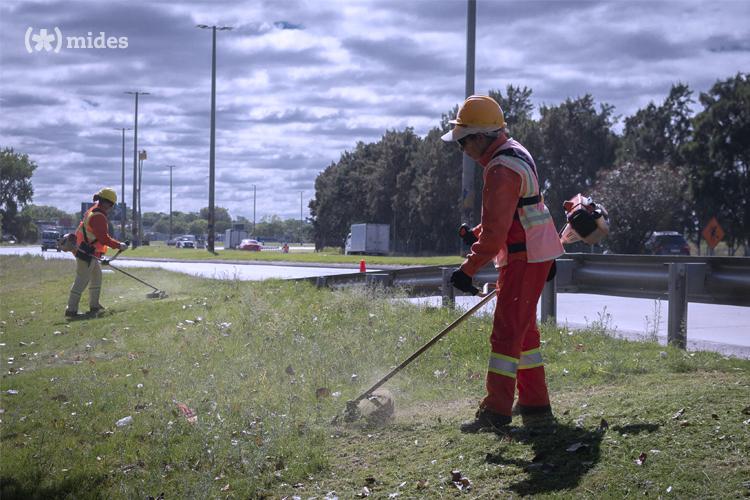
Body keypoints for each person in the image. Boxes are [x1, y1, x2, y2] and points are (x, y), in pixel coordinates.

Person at [443, 95, 564, 433]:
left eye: (463, 142)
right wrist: (478, 234)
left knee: (507, 333)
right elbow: (518, 211)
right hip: (533, 254)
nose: (463, 150)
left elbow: (497, 235)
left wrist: (467, 271)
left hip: (523, 257)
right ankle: (535, 405)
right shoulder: (515, 151)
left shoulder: (499, 169)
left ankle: (495, 413)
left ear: (480, 136)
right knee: (524, 334)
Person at [65, 187, 128, 318]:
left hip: (88, 252)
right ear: (107, 203)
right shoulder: (98, 217)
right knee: (81, 280)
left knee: (96, 278)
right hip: (86, 253)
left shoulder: (92, 211)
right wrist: (119, 245)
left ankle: (94, 306)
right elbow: (103, 238)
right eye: (111, 204)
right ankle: (71, 310)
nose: (111, 207)